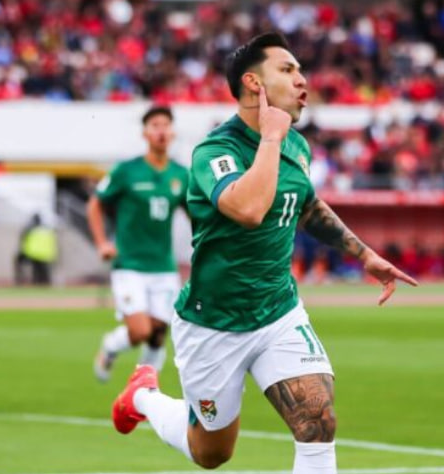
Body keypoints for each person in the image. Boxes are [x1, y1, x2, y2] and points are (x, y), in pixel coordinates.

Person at [110, 32, 417, 473]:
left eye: (300, 70)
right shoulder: (215, 150)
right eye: (288, 70)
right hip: (213, 322)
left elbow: (307, 205)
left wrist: (364, 254)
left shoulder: (296, 145)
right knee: (211, 453)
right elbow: (249, 209)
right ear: (253, 83)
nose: (302, 80)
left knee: (317, 420)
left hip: (278, 312)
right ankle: (143, 396)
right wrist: (271, 138)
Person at [87, 105, 188, 383]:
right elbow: (95, 204)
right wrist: (102, 243)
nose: (161, 131)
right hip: (129, 264)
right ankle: (110, 346)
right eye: (155, 125)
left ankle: (143, 389)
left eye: (166, 125)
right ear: (145, 133)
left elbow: (195, 215)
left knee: (157, 334)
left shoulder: (181, 174)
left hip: (163, 266)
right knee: (141, 330)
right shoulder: (126, 171)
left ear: (173, 132)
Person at [14, 213, 57, 286]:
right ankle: (45, 283)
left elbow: (23, 241)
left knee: (31, 268)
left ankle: (21, 281)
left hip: (33, 254)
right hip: (47, 255)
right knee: (43, 271)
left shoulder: (30, 229)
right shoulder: (48, 230)